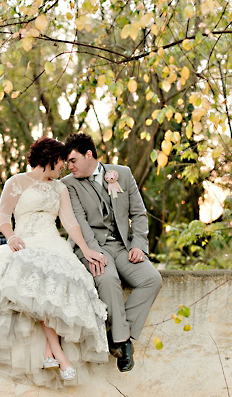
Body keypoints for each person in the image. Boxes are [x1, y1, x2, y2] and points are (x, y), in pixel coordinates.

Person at [0, 137, 110, 389]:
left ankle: (50, 352)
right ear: (49, 158)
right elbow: (3, 215)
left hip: (54, 243)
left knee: (69, 281)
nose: (64, 167)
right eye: (61, 161)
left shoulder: (60, 188)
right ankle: (58, 354)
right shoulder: (16, 182)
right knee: (39, 284)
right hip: (25, 243)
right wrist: (11, 236)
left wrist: (86, 249)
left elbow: (69, 222)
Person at [62, 133, 162, 373]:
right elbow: (79, 222)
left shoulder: (122, 174)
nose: (70, 166)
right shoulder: (68, 184)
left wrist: (138, 244)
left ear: (89, 155)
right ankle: (124, 343)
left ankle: (116, 334)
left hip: (123, 246)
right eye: (68, 162)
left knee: (152, 279)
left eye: (73, 160)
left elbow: (138, 213)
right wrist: (92, 253)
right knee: (108, 279)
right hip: (92, 246)